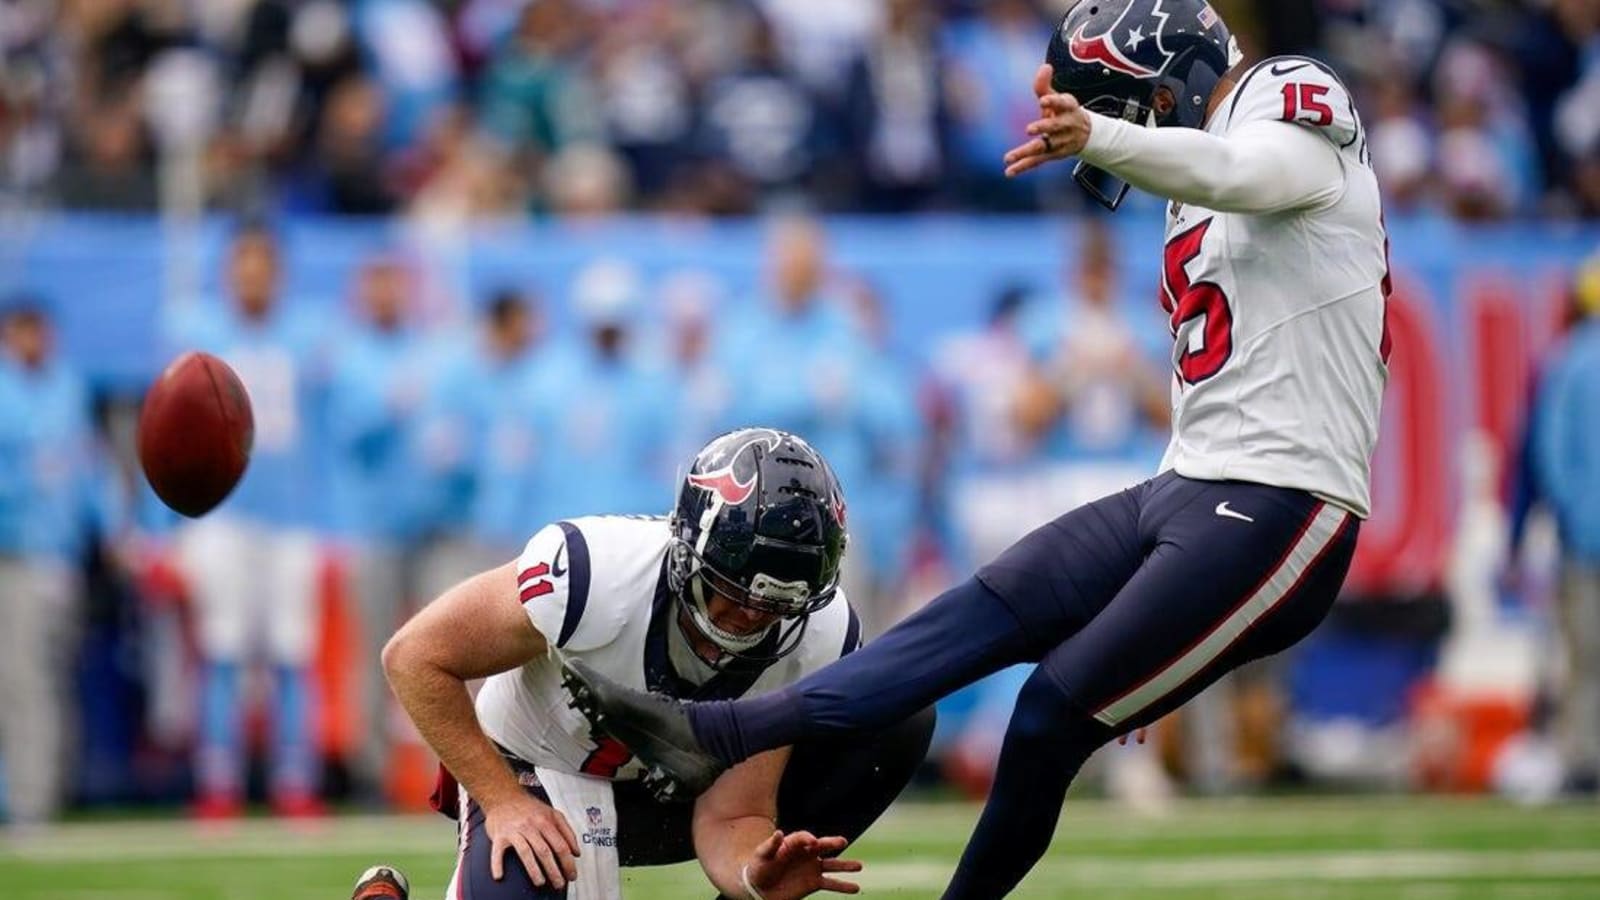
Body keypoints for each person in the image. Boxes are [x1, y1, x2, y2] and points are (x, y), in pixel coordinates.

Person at [561, 3, 1392, 897]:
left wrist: (1104, 131)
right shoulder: (1195, 173)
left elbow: (1244, 169)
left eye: (1128, 103)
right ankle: (718, 730)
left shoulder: (1286, 95)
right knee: (981, 611)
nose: (1120, 129)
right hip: (1188, 484)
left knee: (1047, 716)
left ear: (1176, 80)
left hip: (1286, 502)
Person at [378, 428, 934, 899]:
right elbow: (415, 656)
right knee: (523, 872)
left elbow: (733, 814)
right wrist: (502, 800)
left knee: (897, 721)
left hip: (665, 797)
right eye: (736, 592)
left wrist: (754, 876)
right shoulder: (590, 575)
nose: (751, 617)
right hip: (535, 765)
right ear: (689, 552)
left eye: (779, 606)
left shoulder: (819, 631)